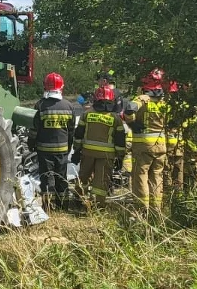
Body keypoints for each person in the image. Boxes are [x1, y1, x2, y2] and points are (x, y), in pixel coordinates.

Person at [73, 83, 125, 209]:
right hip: (107, 155)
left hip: (88, 153)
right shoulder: (115, 118)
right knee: (101, 182)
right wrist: (120, 156)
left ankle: (79, 201)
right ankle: (99, 205)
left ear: (96, 99)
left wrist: (76, 150)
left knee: (83, 177)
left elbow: (78, 134)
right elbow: (120, 140)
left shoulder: (87, 114)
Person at [126, 69, 170, 210]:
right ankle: (156, 208)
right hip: (161, 144)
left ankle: (141, 208)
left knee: (140, 175)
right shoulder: (165, 102)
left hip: (143, 146)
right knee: (157, 176)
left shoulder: (142, 99)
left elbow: (128, 110)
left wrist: (133, 124)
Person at [33, 72, 76, 210]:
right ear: (61, 87)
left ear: (45, 87)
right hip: (62, 150)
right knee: (61, 177)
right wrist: (69, 147)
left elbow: (34, 129)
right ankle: (63, 205)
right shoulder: (69, 106)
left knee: (46, 178)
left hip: (44, 150)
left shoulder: (40, 105)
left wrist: (31, 144)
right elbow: (71, 131)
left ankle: (47, 207)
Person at [164, 81, 185, 197]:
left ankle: (168, 195)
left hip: (168, 144)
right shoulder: (182, 106)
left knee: (167, 170)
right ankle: (179, 195)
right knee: (179, 171)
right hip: (180, 144)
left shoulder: (165, 106)